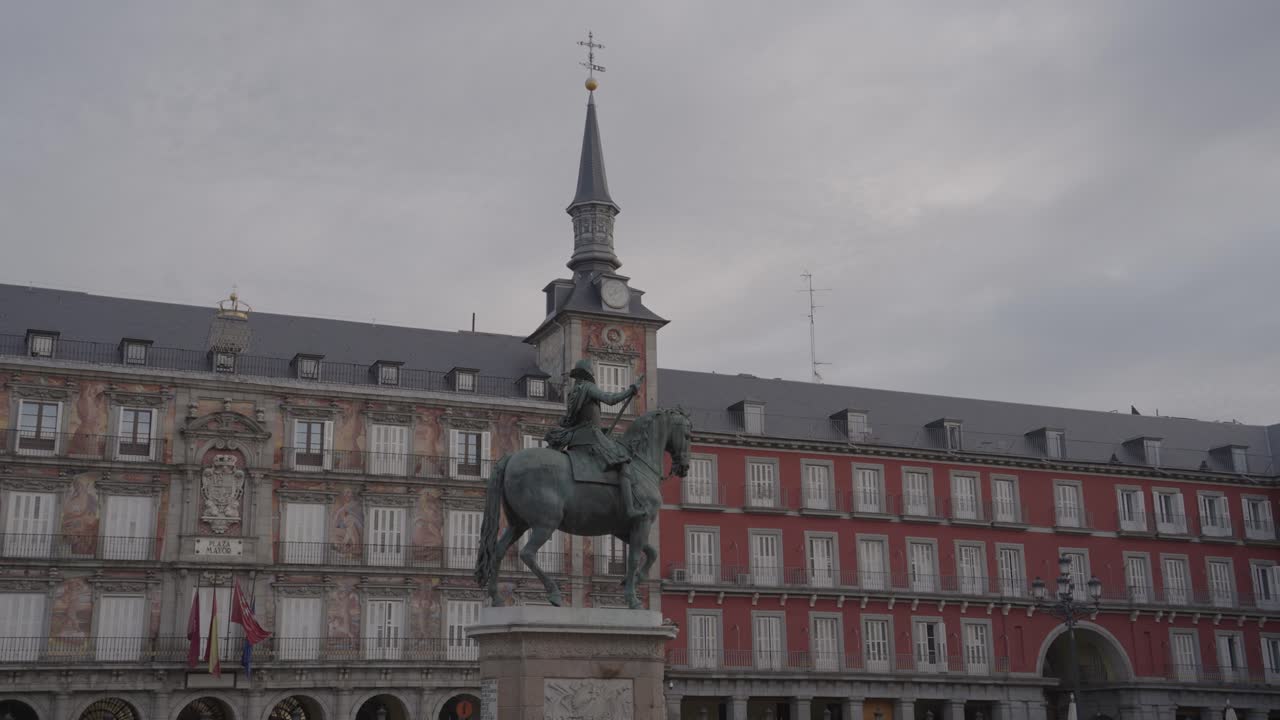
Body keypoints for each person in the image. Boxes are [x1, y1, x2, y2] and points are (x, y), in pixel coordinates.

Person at [550, 359, 644, 519]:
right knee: (623, 463)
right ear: (589, 374)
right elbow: (610, 399)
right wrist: (631, 390)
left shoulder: (573, 392)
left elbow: (571, 419)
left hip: (575, 439)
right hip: (590, 437)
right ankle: (630, 508)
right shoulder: (589, 387)